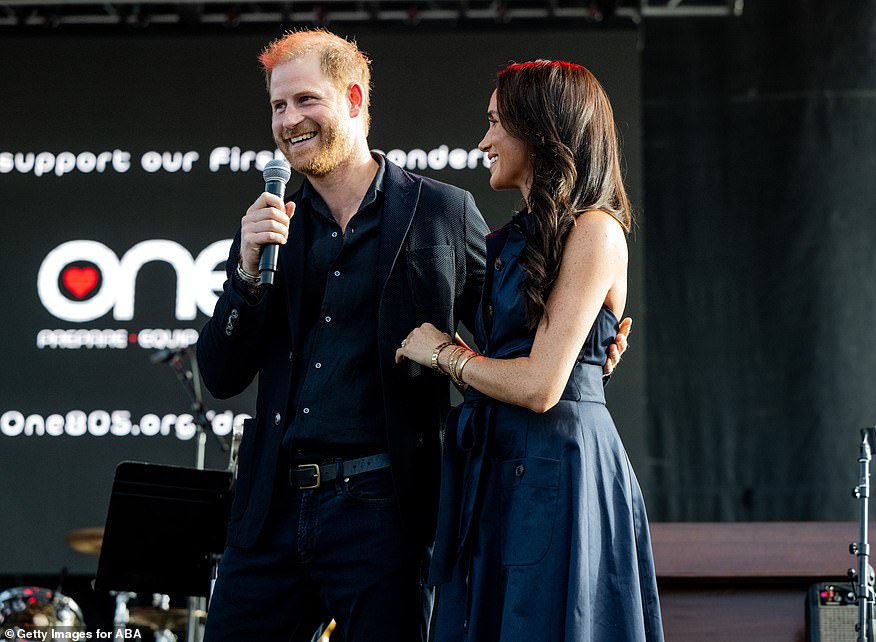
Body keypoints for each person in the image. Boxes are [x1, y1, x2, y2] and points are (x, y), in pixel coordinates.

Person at [196, 31, 630, 642]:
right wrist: (245, 273)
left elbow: (515, 334)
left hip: (384, 514)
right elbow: (220, 375)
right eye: (278, 106)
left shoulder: (441, 212)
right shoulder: (267, 230)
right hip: (271, 513)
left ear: (353, 99)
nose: (289, 120)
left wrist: (592, 346)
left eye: (305, 100)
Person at [396, 61, 663, 641]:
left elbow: (542, 386)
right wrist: (465, 359)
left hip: (560, 472)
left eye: (496, 123)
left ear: (540, 130)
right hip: (501, 469)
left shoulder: (596, 229)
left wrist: (445, 356)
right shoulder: (508, 242)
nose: (483, 141)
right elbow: (521, 368)